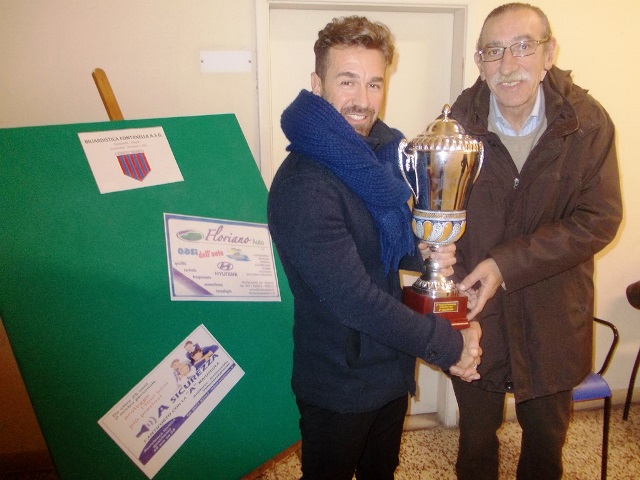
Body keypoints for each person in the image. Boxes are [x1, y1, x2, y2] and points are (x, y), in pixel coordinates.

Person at [267, 15, 482, 480]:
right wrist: (449, 345)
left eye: (374, 83)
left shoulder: (378, 160)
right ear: (317, 84)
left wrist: (423, 252)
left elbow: (381, 245)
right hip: (339, 384)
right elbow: (356, 300)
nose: (363, 100)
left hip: (389, 369)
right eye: (347, 81)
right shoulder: (305, 185)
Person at [447, 3, 623, 479]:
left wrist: (506, 265)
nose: (508, 64)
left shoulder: (587, 123)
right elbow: (439, 222)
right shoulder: (455, 125)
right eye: (494, 51)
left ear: (549, 53)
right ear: (479, 61)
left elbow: (600, 218)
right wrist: (452, 305)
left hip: (553, 318)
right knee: (475, 443)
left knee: (546, 446)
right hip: (479, 318)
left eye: (523, 46)